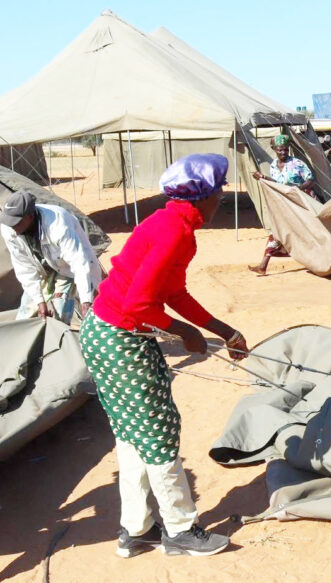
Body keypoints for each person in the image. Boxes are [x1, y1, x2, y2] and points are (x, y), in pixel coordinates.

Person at [78, 154, 248, 558]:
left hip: (104, 333)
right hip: (120, 338)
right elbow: (139, 304)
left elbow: (172, 293)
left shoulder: (171, 225)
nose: (222, 197)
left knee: (132, 434)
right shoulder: (174, 231)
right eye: (219, 189)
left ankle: (137, 529)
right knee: (157, 431)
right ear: (201, 196)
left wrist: (224, 331)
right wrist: (183, 331)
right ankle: (180, 529)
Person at [0, 190, 102, 323]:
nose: (13, 226)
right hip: (40, 267)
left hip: (66, 266)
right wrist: (39, 301)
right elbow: (23, 266)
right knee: (25, 315)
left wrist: (86, 300)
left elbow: (79, 264)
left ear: (30, 216)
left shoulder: (58, 225)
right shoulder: (8, 228)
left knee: (59, 311)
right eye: (10, 222)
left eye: (17, 222)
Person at [248, 133, 316, 275]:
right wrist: (263, 178)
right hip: (283, 205)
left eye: (285, 149)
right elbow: (277, 184)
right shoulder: (273, 165)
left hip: (299, 203)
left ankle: (316, 262)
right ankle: (263, 265)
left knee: (306, 233)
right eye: (280, 150)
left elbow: (311, 180)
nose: (283, 152)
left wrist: (298, 189)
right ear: (274, 149)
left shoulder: (297, 164)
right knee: (277, 232)